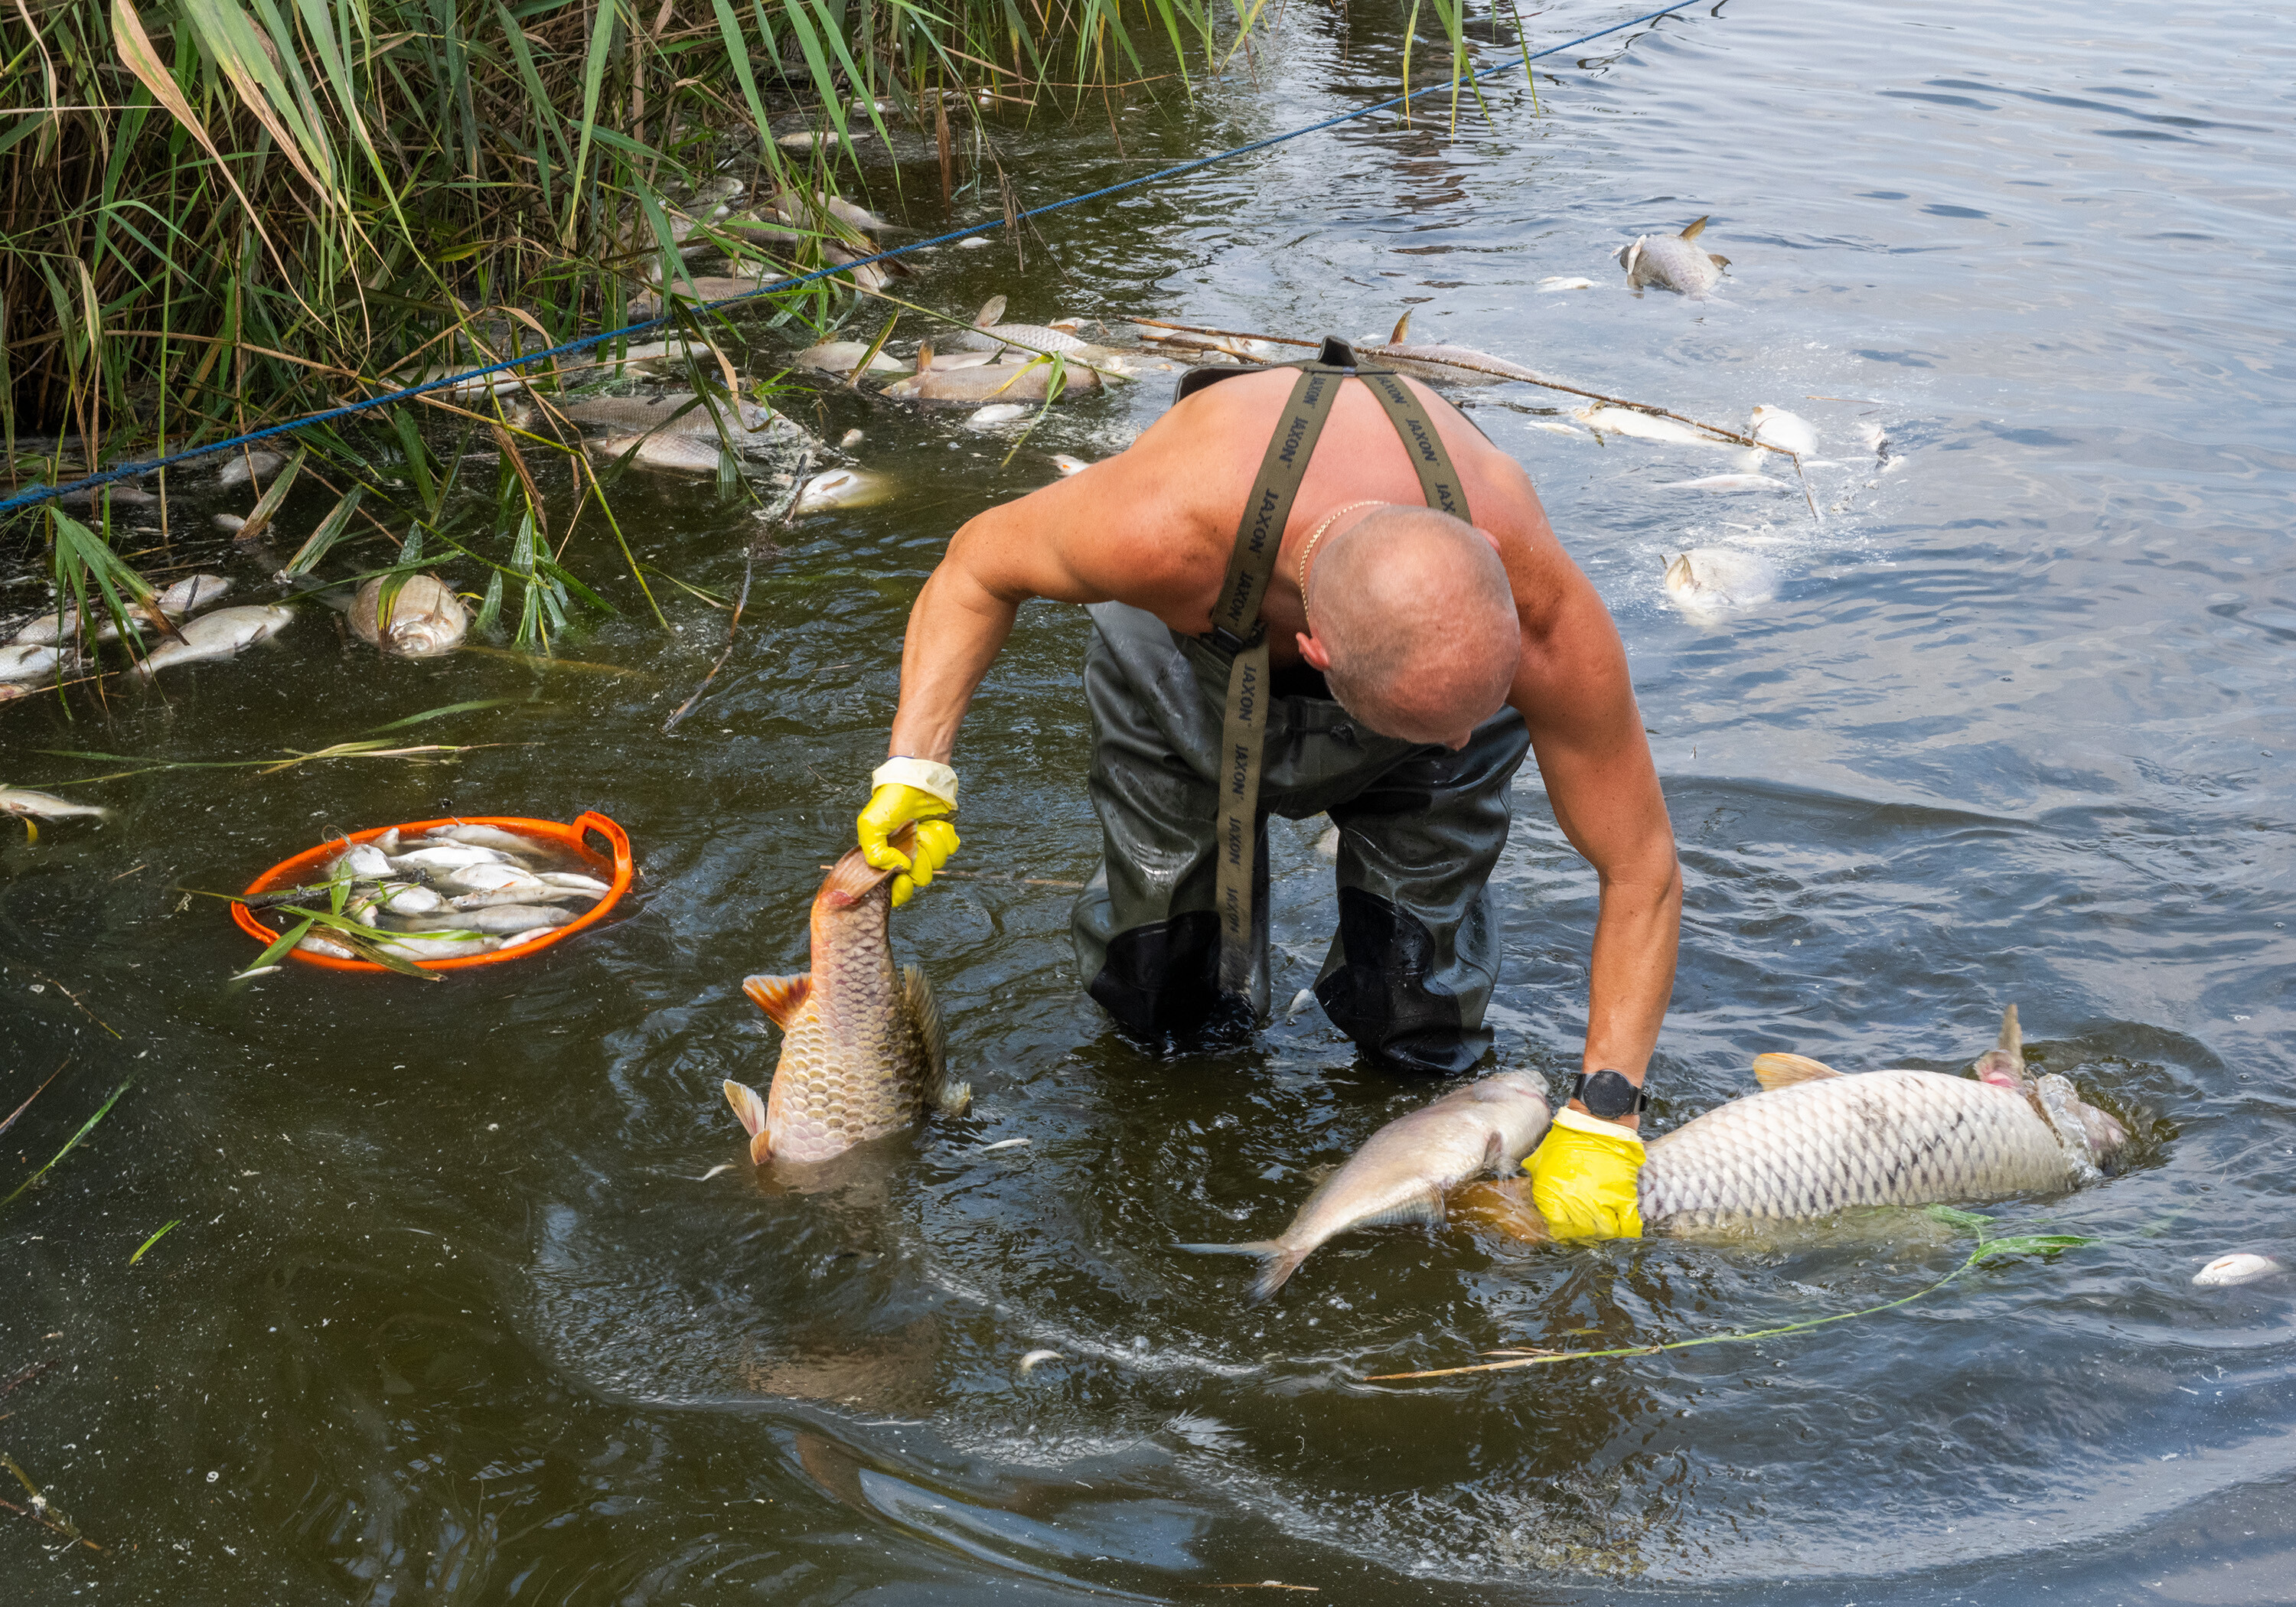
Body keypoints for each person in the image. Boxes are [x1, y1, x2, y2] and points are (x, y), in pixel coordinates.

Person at [854, 344, 1680, 1238]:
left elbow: (1642, 868)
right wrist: (917, 773)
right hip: (1178, 656)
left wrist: (1607, 1114)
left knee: (1417, 1010)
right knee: (1162, 996)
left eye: (1477, 713)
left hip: (1429, 656)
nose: (1457, 744)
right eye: (1436, 726)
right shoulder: (1158, 531)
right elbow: (976, 566)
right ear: (1315, 653)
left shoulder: (1541, 604)